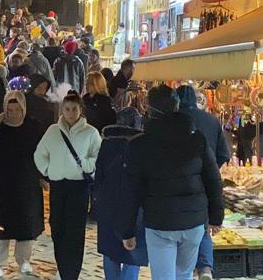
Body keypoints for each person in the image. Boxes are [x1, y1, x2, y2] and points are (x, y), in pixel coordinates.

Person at [121, 85, 223, 280]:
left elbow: (130, 192)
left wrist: (127, 230)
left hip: (160, 223)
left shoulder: (139, 145)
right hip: (193, 222)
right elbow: (213, 179)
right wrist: (216, 217)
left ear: (149, 109)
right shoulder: (197, 139)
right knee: (184, 275)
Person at [34, 93, 102, 280]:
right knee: (57, 227)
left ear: (81, 110)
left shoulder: (91, 133)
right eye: (67, 109)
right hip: (58, 186)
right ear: (62, 110)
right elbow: (40, 154)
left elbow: (98, 158)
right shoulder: (53, 131)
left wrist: (85, 167)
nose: (71, 113)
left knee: (75, 231)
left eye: (74, 109)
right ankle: (62, 267)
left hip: (78, 187)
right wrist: (49, 170)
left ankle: (71, 273)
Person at [0, 91, 45, 278]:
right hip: (1, 185)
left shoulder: (34, 127)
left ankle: (24, 260)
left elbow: (42, 153)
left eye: (17, 109)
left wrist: (42, 176)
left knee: (26, 223)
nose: (14, 113)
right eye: (10, 109)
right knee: (0, 222)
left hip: (27, 184)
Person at [176, 85, 230, 280]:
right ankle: (205, 267)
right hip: (208, 181)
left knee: (186, 225)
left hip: (180, 182)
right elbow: (224, 153)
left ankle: (185, 270)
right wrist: (212, 168)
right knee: (204, 224)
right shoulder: (211, 121)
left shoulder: (173, 121)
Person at [95, 112, 147, 280]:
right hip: (134, 204)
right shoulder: (140, 145)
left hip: (108, 204)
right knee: (133, 253)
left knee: (110, 252)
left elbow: (99, 175)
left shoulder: (106, 144)